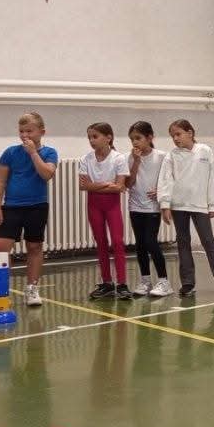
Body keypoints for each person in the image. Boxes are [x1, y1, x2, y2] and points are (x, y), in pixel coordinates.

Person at [0, 112, 57, 311]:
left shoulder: (50, 152)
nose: (24, 135)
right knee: (0, 246)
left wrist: (33, 153)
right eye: (21, 131)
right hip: (12, 206)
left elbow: (47, 174)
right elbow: (0, 181)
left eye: (29, 131)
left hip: (37, 206)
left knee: (34, 246)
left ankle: (32, 288)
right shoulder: (10, 153)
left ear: (42, 132)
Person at [158, 118, 214, 299]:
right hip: (178, 206)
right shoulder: (171, 156)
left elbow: (213, 178)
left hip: (200, 206)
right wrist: (165, 205)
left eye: (178, 134)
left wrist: (213, 204)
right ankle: (187, 283)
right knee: (183, 243)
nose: (175, 138)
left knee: (208, 241)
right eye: (172, 136)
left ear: (190, 133)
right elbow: (166, 180)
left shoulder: (205, 151)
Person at [79, 123, 131, 300]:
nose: (91, 140)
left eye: (95, 136)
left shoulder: (118, 158)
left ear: (108, 137)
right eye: (89, 137)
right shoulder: (86, 159)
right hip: (94, 205)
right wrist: (106, 184)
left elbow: (119, 187)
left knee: (117, 241)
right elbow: (83, 186)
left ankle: (122, 283)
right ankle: (107, 283)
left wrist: (94, 186)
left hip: (112, 205)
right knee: (101, 242)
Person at [126, 122, 172, 298]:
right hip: (135, 206)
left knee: (151, 242)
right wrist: (136, 161)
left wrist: (161, 192)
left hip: (152, 207)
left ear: (150, 137)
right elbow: (129, 183)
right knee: (140, 244)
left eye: (138, 138)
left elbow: (169, 180)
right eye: (132, 139)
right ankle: (145, 280)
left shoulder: (162, 157)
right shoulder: (130, 157)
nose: (135, 142)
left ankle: (164, 281)